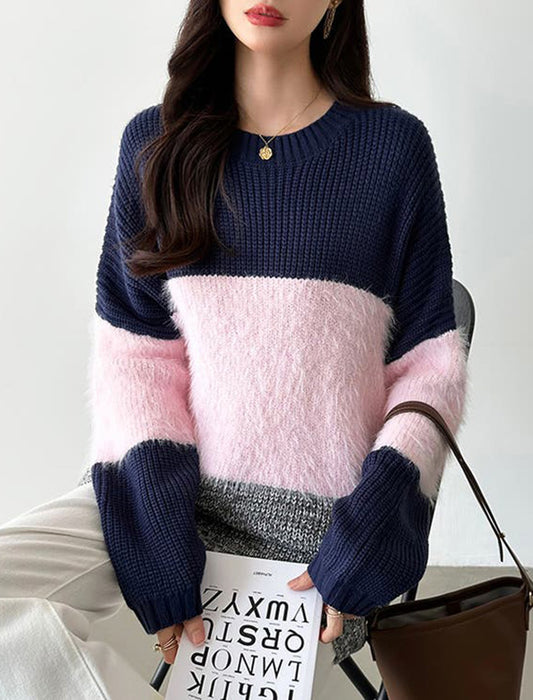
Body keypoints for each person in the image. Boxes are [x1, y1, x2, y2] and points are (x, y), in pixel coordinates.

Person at [0, 0, 471, 696]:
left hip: (320, 536)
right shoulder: (154, 145)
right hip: (156, 499)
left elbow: (428, 368)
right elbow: (136, 358)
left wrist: (372, 525)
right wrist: (158, 537)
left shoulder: (391, 149)